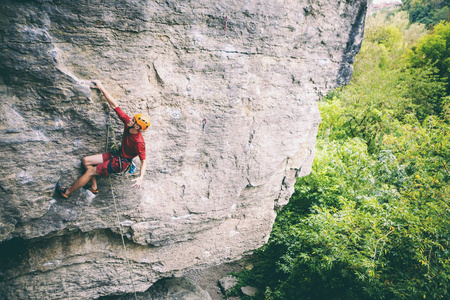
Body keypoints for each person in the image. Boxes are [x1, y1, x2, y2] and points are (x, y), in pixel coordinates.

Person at [56, 80, 150, 198]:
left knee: (90, 171)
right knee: (86, 161)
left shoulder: (139, 142)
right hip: (116, 155)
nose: (130, 119)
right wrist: (101, 88)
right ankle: (93, 187)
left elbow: (143, 160)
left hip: (119, 163)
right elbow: (115, 106)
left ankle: (67, 192)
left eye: (133, 120)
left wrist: (141, 177)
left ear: (137, 126)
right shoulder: (128, 123)